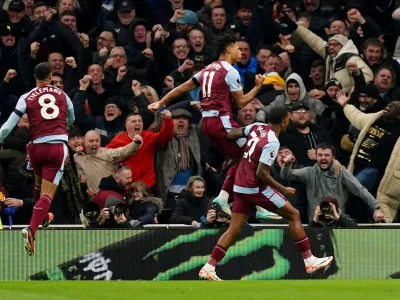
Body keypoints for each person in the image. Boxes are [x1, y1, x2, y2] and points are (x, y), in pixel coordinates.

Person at [199, 106, 333, 281]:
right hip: (253, 187)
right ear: (284, 121)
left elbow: (233, 134)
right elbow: (261, 174)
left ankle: (209, 267)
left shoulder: (257, 127)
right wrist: (283, 189)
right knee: (294, 215)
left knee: (234, 229)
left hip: (239, 184)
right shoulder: (272, 142)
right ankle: (309, 260)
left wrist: (237, 144)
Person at [0, 62, 75, 256]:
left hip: (34, 147)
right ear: (51, 77)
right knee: (47, 194)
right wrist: (63, 126)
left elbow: (8, 126)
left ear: (35, 78)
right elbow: (72, 118)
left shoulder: (26, 97)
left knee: (39, 184)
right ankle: (31, 230)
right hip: (56, 147)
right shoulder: (63, 95)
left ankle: (42, 217)